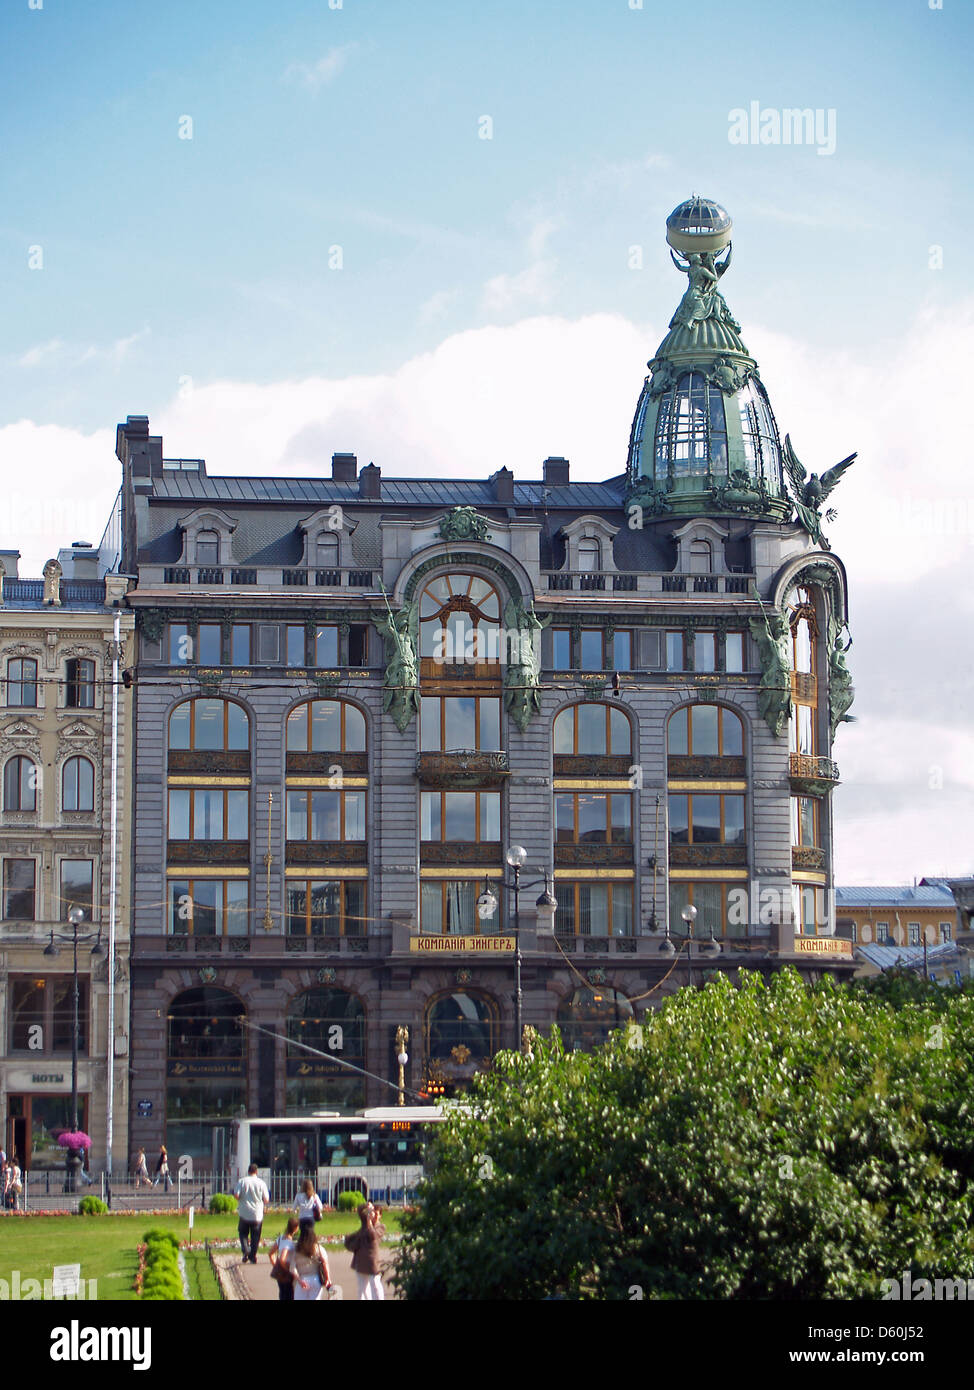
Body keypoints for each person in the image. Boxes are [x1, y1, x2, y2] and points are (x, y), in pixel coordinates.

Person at [344, 1201, 386, 1300]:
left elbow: (372, 1235)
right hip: (360, 1260)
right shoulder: (364, 1223)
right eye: (372, 1212)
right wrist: (366, 1205)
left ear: (380, 1216)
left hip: (372, 1262)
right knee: (362, 1289)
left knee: (375, 1285)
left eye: (376, 1214)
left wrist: (369, 1222)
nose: (374, 1215)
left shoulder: (381, 1227)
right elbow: (359, 1210)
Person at [234, 1162, 271, 1265]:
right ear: (256, 1172)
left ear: (248, 1171)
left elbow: (236, 1195)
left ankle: (245, 1249)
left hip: (244, 1212)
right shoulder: (261, 1183)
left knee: (243, 1233)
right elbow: (266, 1199)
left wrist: (242, 1198)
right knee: (256, 1236)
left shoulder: (242, 1181)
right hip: (257, 1214)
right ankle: (253, 1256)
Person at [291, 1225, 332, 1301]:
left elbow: (292, 1268)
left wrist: (300, 1280)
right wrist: (328, 1278)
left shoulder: (296, 1249)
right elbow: (325, 1262)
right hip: (316, 1279)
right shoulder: (318, 1248)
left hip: (302, 1279)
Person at [269, 1215, 299, 1302]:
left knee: (282, 1293)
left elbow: (271, 1253)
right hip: (286, 1272)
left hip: (280, 1272)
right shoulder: (288, 1242)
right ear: (295, 1228)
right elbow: (282, 1258)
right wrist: (288, 1269)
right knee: (289, 1295)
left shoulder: (280, 1238)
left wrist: (275, 1265)